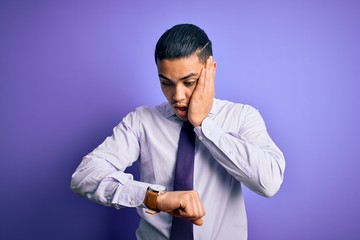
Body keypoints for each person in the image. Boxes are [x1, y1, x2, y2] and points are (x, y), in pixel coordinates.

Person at [71, 23, 285, 240]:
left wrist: (203, 125)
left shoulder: (241, 117)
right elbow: (84, 176)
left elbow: (269, 183)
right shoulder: (142, 121)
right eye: (166, 83)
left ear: (210, 70)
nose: (177, 96)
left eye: (189, 82)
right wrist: (155, 198)